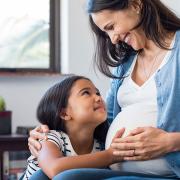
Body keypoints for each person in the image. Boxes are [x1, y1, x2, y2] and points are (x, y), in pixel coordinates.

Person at [27, 0, 180, 179]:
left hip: (166, 172)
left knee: (66, 178)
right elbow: (104, 121)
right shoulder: (126, 63)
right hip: (115, 167)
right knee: (39, 176)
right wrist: (47, 135)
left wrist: (171, 142)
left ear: (136, 5)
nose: (113, 39)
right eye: (106, 32)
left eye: (111, 26)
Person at [23, 75, 129, 180]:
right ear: (64, 113)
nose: (98, 98)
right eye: (86, 93)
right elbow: (54, 168)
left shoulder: (100, 145)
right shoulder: (49, 138)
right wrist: (110, 156)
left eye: (98, 93)